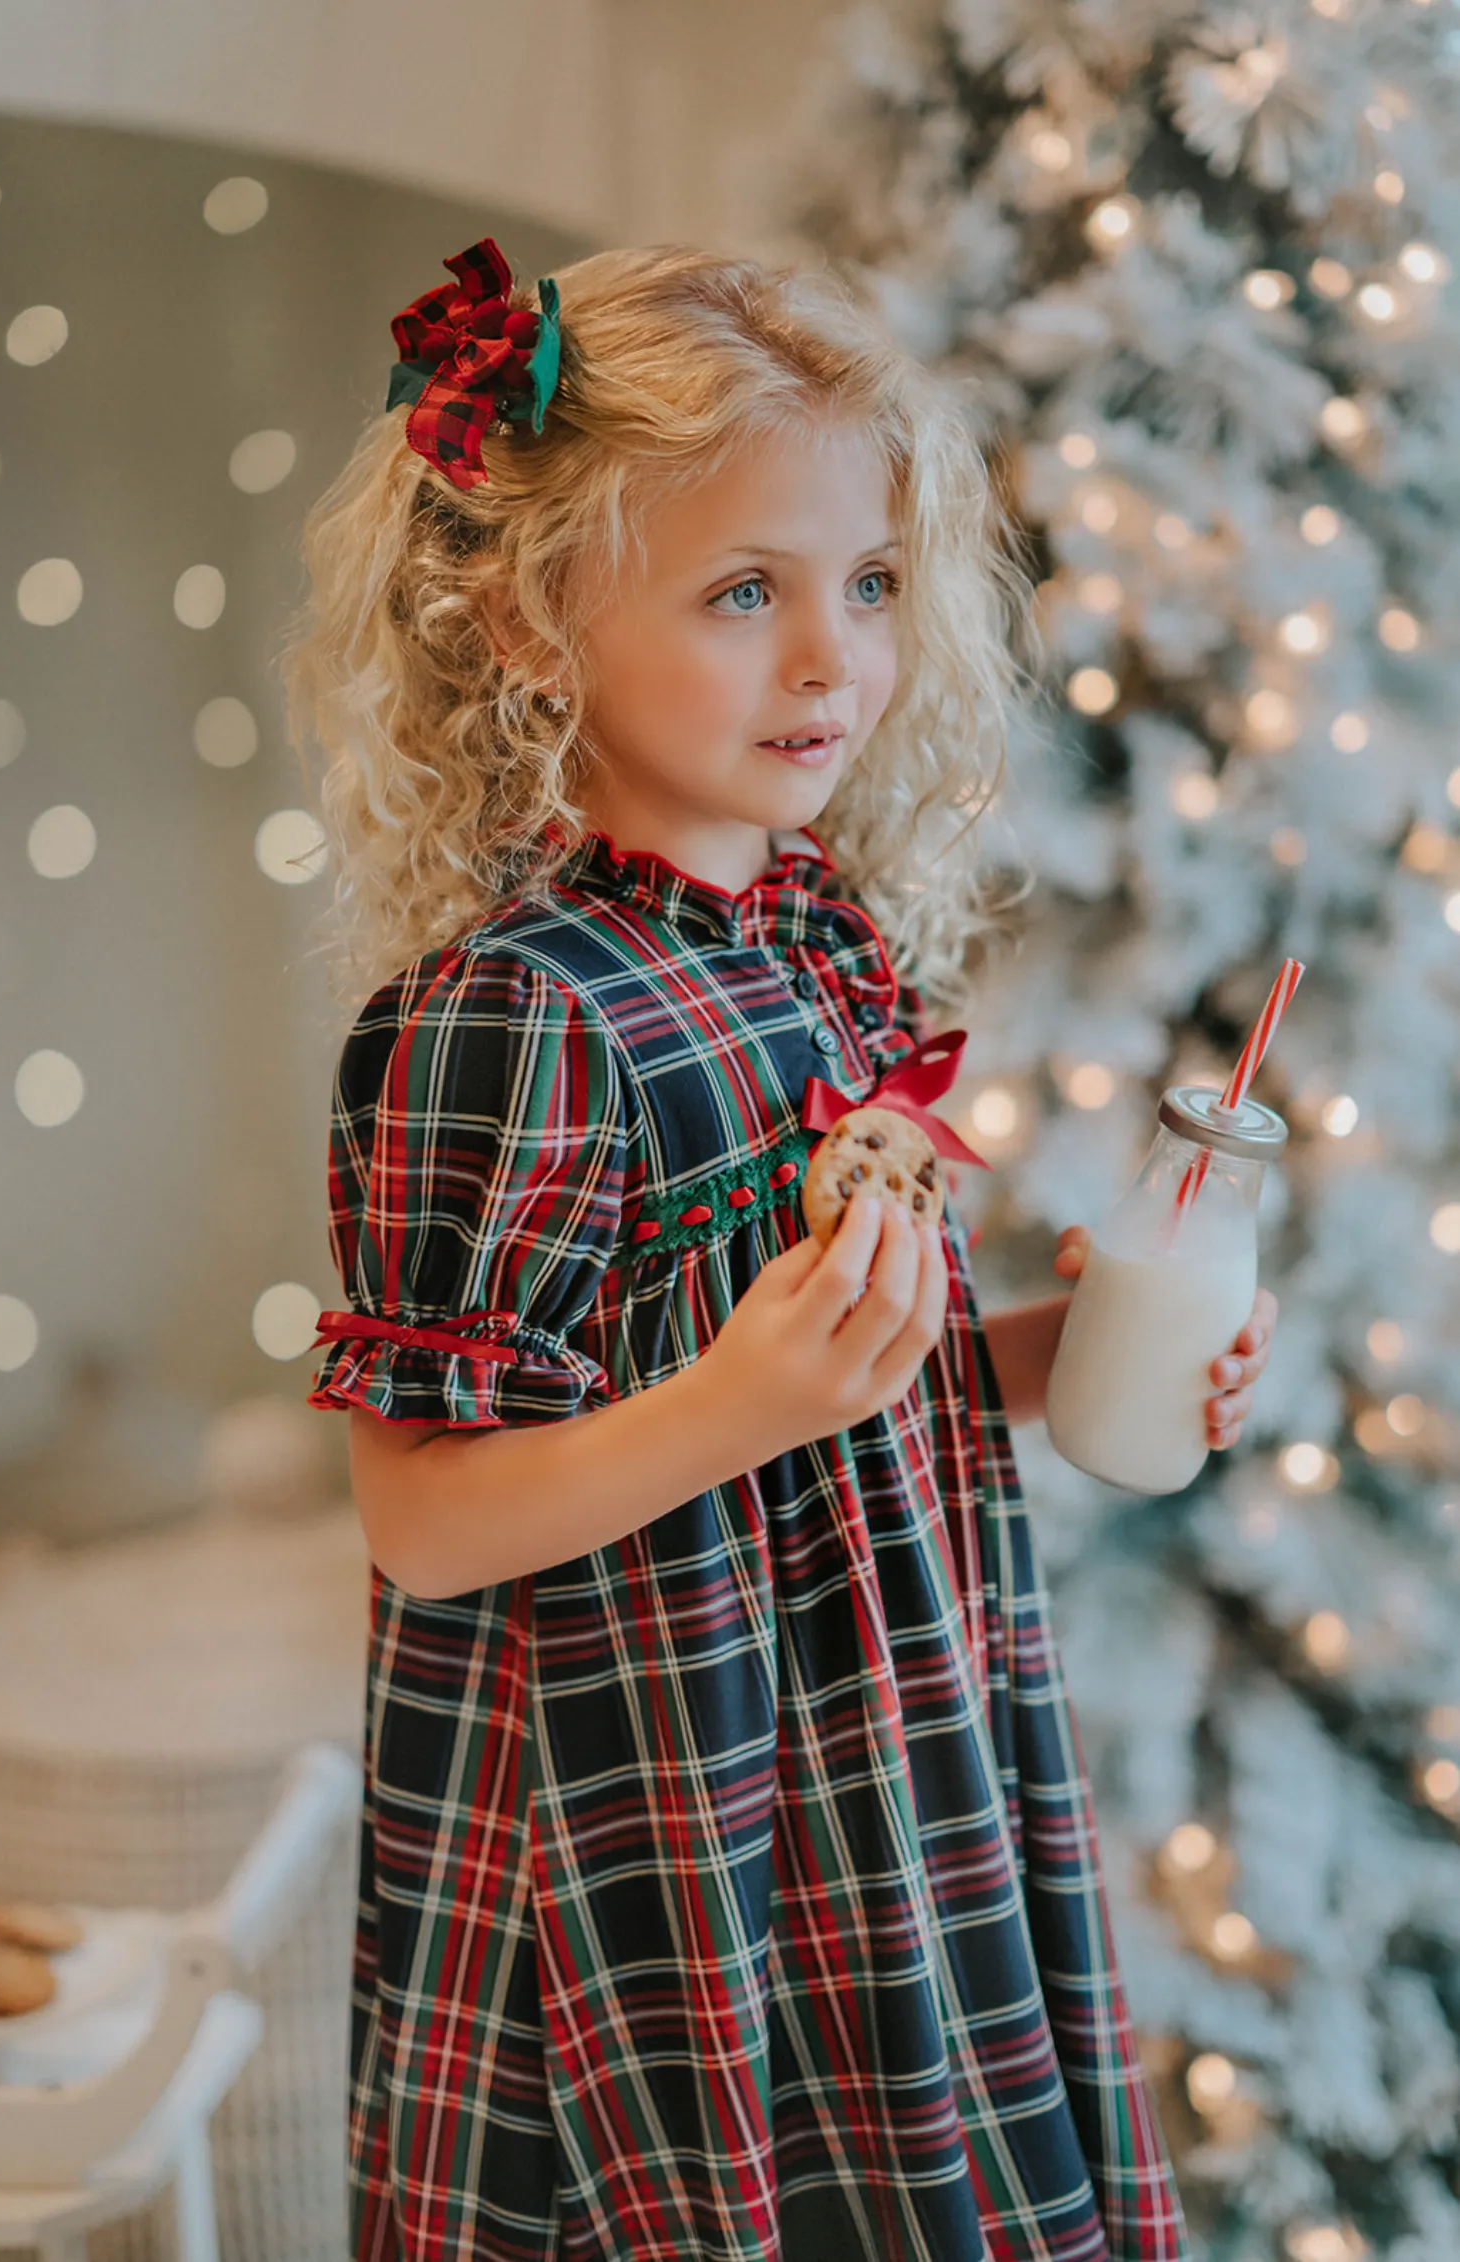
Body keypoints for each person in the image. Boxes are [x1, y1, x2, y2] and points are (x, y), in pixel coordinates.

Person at [284, 237, 1275, 2262]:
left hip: (873, 1752)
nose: (834, 656)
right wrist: (749, 1402)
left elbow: (830, 1370)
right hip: (659, 1807)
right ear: (532, 620)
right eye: (747, 592)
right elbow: (429, 1520)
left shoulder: (806, 944)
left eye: (871, 583)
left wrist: (1036, 1349)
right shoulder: (511, 1017)